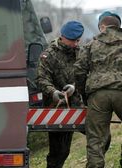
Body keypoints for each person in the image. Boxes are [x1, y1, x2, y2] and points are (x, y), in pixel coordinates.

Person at [74, 11, 122, 168]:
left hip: (98, 96)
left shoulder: (91, 45)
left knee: (95, 140)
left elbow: (79, 71)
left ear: (102, 27)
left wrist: (83, 94)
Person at [37, 21, 84, 168]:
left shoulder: (81, 53)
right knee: (60, 152)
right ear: (63, 37)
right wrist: (54, 92)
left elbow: (86, 74)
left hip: (79, 106)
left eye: (77, 40)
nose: (75, 44)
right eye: (72, 41)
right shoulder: (48, 55)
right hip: (57, 108)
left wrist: (74, 87)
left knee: (101, 139)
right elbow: (41, 78)